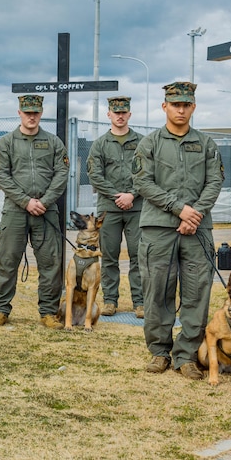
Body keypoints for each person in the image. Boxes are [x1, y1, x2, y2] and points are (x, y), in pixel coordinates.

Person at [133, 81, 223, 380]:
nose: (181, 109)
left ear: (193, 107)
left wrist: (193, 214)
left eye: (186, 105)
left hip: (197, 229)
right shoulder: (150, 143)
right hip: (159, 228)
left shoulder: (206, 144)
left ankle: (186, 355)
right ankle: (160, 352)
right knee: (157, 291)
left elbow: (214, 182)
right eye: (175, 105)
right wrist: (178, 208)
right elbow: (143, 183)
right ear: (165, 107)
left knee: (197, 292)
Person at [0, 94, 69, 328]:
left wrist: (45, 200)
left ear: (41, 113)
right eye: (27, 112)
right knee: (7, 260)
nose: (31, 116)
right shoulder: (6, 142)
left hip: (47, 211)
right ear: (20, 113)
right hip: (15, 210)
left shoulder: (54, 142)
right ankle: (1, 309)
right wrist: (26, 201)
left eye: (35, 112)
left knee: (50, 262)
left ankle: (48, 312)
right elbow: (1, 175)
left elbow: (61, 173)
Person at [86, 96, 144, 317]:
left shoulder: (142, 142)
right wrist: (116, 195)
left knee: (139, 255)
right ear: (108, 115)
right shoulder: (100, 144)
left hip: (136, 208)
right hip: (108, 209)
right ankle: (110, 300)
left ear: (129, 114)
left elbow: (148, 172)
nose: (120, 116)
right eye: (116, 112)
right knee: (109, 256)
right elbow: (95, 175)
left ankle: (140, 302)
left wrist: (132, 194)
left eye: (124, 112)